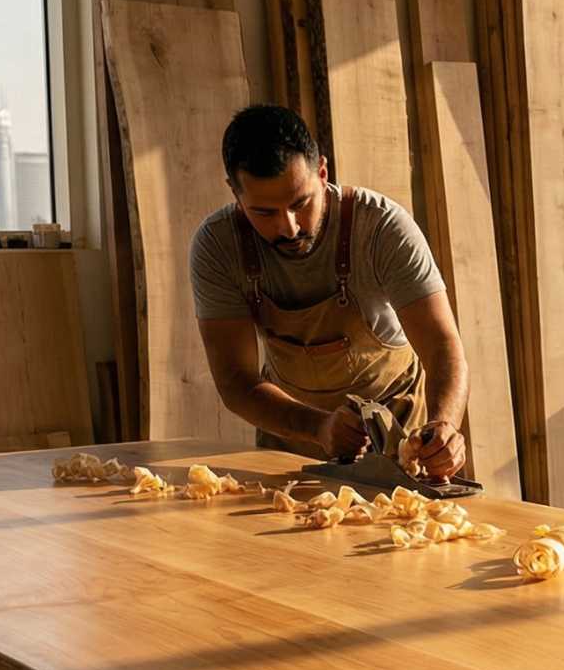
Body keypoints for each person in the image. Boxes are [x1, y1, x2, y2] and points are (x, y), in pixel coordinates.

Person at [190, 104, 469, 477]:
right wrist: (318, 427)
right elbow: (236, 382)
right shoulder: (219, 246)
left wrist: (444, 427)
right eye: (264, 213)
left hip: (400, 441)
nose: (289, 227)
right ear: (235, 194)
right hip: (293, 438)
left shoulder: (381, 229)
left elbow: (442, 346)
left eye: (300, 203)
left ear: (322, 173)